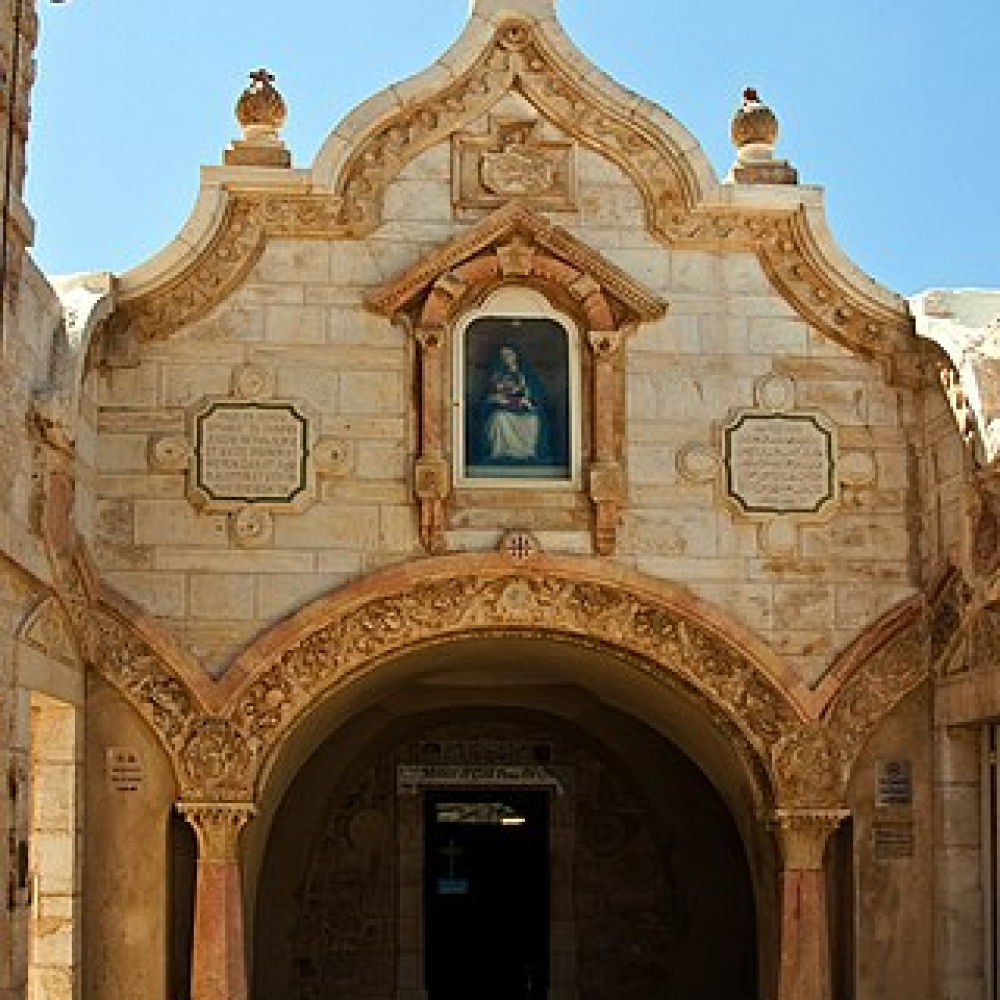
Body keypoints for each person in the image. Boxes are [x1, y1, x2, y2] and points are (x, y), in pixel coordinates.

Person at [479, 344, 550, 465]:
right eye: (503, 355)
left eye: (509, 354)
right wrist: (495, 399)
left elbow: (537, 395)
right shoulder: (497, 375)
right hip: (504, 410)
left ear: (516, 355)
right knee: (498, 418)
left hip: (524, 410)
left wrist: (528, 401)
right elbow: (488, 398)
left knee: (533, 420)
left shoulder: (527, 375)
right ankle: (501, 453)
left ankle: (527, 453)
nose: (506, 357)